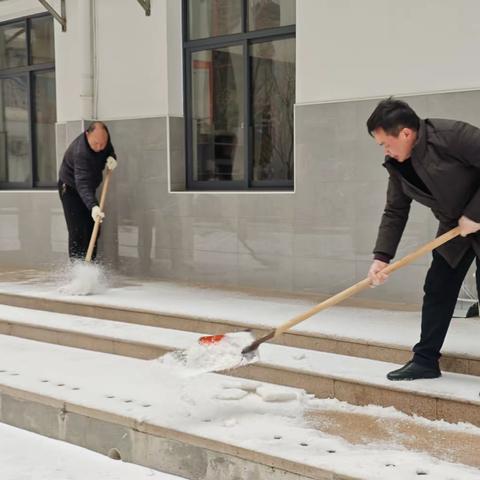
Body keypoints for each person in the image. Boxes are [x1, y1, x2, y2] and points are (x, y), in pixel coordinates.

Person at [366, 97, 480, 381]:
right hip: (455, 228)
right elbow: (395, 210)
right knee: (438, 288)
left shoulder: (452, 136)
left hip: (474, 216)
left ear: (405, 133)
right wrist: (381, 258)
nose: (385, 150)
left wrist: (475, 212)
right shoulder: (398, 165)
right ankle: (425, 360)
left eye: (385, 143)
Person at [58, 121, 117, 261]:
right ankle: (77, 270)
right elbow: (82, 183)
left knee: (93, 228)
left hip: (87, 190)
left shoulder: (103, 141)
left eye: (103, 143)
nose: (99, 147)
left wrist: (112, 158)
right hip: (71, 189)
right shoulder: (80, 152)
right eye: (96, 144)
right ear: (87, 135)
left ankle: (91, 264)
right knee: (77, 231)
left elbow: (109, 150)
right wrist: (93, 206)